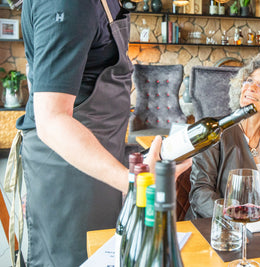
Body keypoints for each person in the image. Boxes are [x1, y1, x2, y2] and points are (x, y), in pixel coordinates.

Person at [15, 1, 190, 265]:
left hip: (100, 158)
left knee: (102, 254)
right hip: (66, 169)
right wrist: (134, 182)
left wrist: (127, 166)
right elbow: (52, 119)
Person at [187, 54, 260, 219]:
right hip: (216, 228)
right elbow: (200, 194)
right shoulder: (214, 132)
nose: (251, 87)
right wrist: (232, 219)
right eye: (249, 80)